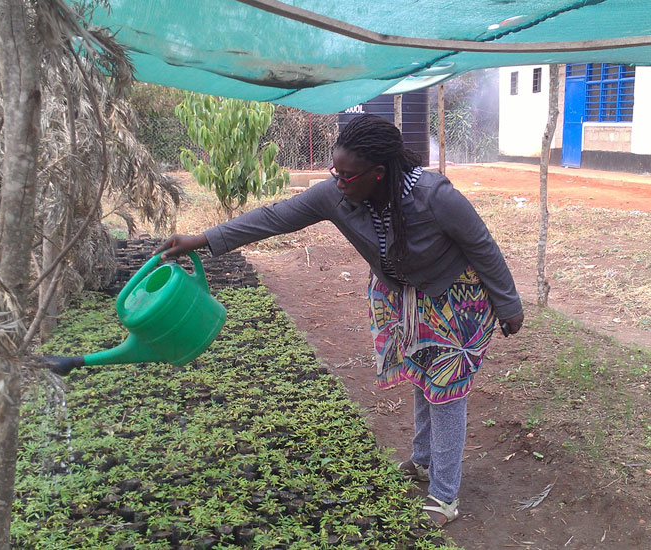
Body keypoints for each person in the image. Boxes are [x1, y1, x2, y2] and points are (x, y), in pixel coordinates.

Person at [155, 114, 524, 526]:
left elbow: (481, 245)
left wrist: (508, 305)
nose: (339, 181)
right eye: (336, 171)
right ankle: (423, 462)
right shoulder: (337, 194)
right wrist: (202, 240)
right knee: (422, 377)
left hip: (454, 297)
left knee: (447, 392)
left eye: (348, 175)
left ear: (379, 174)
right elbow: (275, 217)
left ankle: (444, 495)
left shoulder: (434, 196)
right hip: (401, 296)